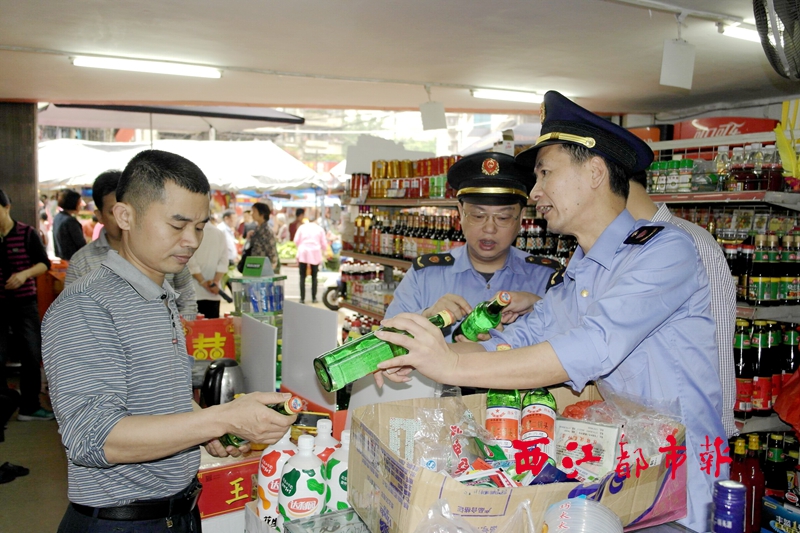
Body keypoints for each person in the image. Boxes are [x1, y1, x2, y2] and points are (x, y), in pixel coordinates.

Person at [374, 91, 725, 533]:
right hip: (625, 476)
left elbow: (591, 347)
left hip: (682, 486)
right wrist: (418, 351)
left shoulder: (664, 250)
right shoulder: (577, 276)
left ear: (594, 172)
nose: (536, 191)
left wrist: (450, 364)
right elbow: (510, 344)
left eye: (545, 173)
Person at [42, 150, 296, 533]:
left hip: (177, 513)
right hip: (121, 522)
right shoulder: (87, 306)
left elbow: (160, 397)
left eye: (200, 226)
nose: (191, 240)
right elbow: (94, 439)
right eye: (177, 225)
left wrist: (208, 430)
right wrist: (220, 418)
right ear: (124, 216)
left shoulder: (160, 296)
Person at [348, 152, 562, 407]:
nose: (489, 228)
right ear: (460, 213)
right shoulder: (425, 274)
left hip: (519, 411)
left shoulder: (546, 278)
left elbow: (571, 352)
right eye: (478, 216)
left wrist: (515, 335)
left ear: (521, 219)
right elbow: (383, 345)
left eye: (503, 217)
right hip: (436, 410)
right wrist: (426, 319)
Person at [627, 171, 738, 439]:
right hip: (639, 427)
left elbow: (718, 345)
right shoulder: (623, 243)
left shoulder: (692, 242)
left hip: (689, 432)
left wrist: (716, 432)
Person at [65, 171, 198, 319]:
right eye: (113, 212)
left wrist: (180, 328)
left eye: (129, 211)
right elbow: (73, 314)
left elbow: (187, 299)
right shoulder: (82, 262)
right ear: (99, 216)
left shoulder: (167, 250)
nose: (123, 218)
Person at [0, 189, 54, 422]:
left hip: (24, 303)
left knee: (31, 352)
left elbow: (44, 264)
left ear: (7, 207)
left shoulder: (26, 233)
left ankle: (29, 406)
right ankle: (4, 402)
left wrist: (24, 275)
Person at [187, 222, 229, 319]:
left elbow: (190, 261)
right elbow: (224, 261)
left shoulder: (190, 232)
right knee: (212, 326)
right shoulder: (219, 233)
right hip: (213, 292)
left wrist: (203, 282)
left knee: (193, 326)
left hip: (193, 291)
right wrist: (215, 282)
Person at [293, 212, 328, 304]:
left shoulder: (302, 227)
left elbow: (296, 241)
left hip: (303, 253)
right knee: (314, 277)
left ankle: (302, 298)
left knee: (302, 276)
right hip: (315, 253)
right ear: (315, 221)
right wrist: (324, 251)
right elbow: (324, 244)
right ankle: (314, 298)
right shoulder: (319, 229)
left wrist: (301, 246)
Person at [53, 188, 86, 260]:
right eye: (79, 202)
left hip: (62, 258)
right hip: (73, 260)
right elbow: (81, 244)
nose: (81, 205)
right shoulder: (70, 221)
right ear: (73, 203)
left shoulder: (58, 217)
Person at [249, 202, 280, 275]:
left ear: (262, 214)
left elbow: (272, 251)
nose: (251, 214)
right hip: (255, 266)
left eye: (254, 211)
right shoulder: (257, 229)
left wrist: (271, 268)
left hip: (263, 268)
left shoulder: (267, 231)